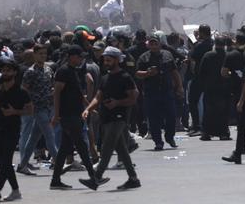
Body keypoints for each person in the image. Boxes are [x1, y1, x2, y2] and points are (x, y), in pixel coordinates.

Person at [83, 46, 141, 190]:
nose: (106, 62)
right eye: (105, 60)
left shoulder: (125, 77)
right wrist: (88, 109)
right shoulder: (105, 78)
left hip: (120, 117)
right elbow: (98, 97)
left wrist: (117, 103)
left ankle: (97, 177)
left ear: (117, 60)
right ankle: (133, 179)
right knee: (122, 150)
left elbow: (133, 98)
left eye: (109, 60)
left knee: (107, 147)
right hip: (107, 117)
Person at [50, 45, 103, 190]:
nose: (81, 59)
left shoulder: (75, 71)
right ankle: (94, 178)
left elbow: (79, 93)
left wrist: (88, 108)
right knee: (81, 146)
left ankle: (55, 180)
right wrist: (56, 114)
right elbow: (56, 93)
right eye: (79, 56)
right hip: (68, 115)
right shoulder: (64, 71)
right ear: (71, 56)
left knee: (64, 148)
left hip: (76, 113)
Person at [0, 59, 32, 202]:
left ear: (15, 72)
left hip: (12, 130)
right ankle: (15, 191)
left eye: (9, 70)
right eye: (3, 70)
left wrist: (15, 111)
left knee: (6, 161)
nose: (5, 72)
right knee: (3, 162)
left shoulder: (21, 92)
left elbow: (30, 110)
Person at [16, 44, 59, 176]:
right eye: (40, 54)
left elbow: (52, 86)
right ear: (34, 55)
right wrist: (30, 104)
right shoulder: (30, 72)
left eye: (44, 54)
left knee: (33, 138)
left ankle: (22, 165)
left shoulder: (48, 70)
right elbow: (24, 89)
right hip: (37, 108)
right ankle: (59, 162)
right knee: (49, 135)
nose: (43, 56)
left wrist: (52, 94)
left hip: (47, 107)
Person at [135, 34, 181, 150]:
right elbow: (137, 74)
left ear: (160, 44)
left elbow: (174, 72)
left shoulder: (167, 55)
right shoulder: (143, 58)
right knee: (153, 118)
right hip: (151, 92)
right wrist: (147, 73)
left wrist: (179, 87)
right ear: (148, 45)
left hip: (166, 91)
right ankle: (158, 142)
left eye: (156, 43)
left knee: (171, 116)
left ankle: (170, 137)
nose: (154, 46)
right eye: (151, 44)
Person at [199, 37, 230, 140]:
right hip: (224, 87)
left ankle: (206, 133)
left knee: (209, 111)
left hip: (210, 87)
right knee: (223, 111)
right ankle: (223, 133)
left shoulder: (208, 55)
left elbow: (201, 72)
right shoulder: (227, 55)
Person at [188, 25, 214, 136]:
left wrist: (196, 40)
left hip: (200, 77)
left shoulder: (200, 45)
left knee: (193, 100)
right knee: (209, 102)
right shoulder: (214, 43)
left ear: (201, 33)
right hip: (212, 77)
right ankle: (210, 126)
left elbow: (192, 58)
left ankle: (197, 126)